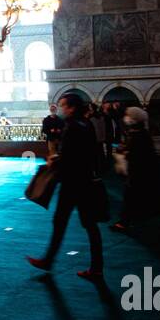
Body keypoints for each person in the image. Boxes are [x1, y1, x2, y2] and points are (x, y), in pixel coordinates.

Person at [28, 92, 106, 279]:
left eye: (63, 105)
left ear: (71, 107)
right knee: (89, 225)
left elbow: (69, 157)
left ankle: (49, 260)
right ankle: (96, 267)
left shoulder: (71, 127)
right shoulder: (86, 124)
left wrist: (54, 161)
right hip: (85, 180)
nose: (60, 108)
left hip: (72, 183)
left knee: (61, 221)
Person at [112, 106, 160, 232]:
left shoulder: (137, 135)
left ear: (133, 119)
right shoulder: (141, 133)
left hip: (139, 172)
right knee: (154, 195)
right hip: (147, 171)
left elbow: (135, 154)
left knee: (130, 196)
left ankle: (124, 222)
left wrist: (123, 152)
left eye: (128, 115)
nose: (126, 118)